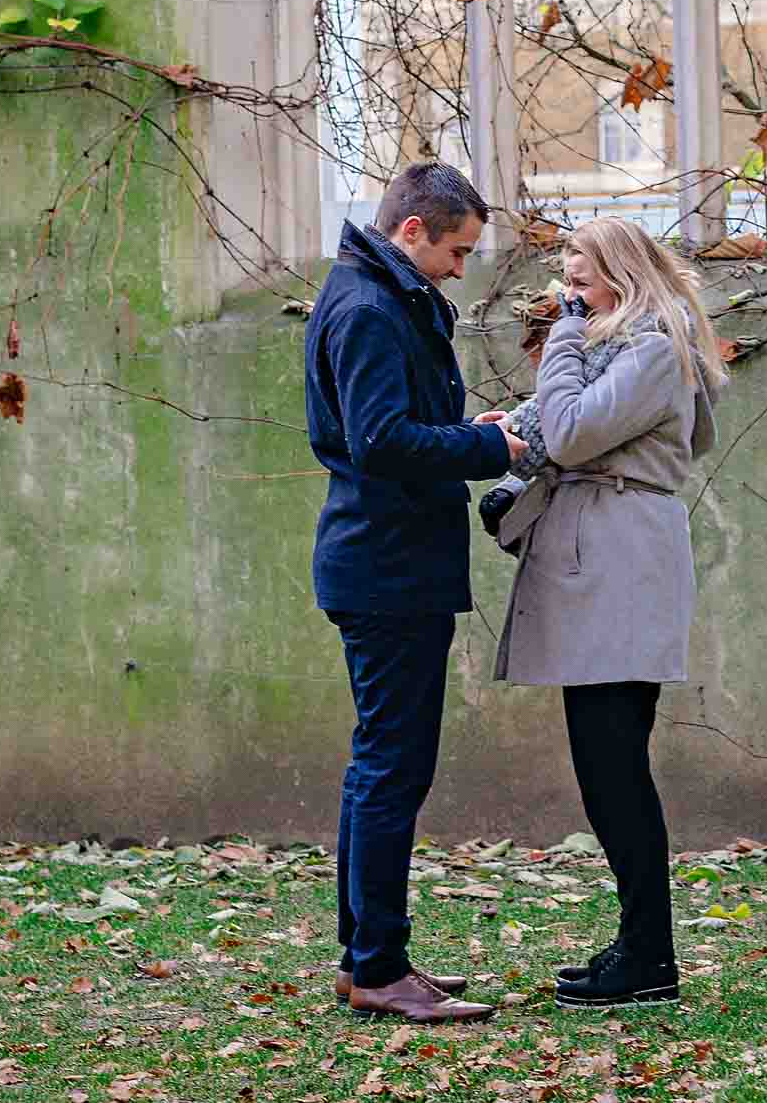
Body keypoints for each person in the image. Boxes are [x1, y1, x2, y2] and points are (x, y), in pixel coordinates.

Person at [478, 216, 725, 1010]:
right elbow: (566, 419)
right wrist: (514, 428)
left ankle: (651, 956)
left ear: (622, 272)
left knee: (615, 769)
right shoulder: (631, 348)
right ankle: (640, 941)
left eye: (581, 280)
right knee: (605, 768)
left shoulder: (656, 346)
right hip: (603, 554)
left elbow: (579, 430)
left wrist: (561, 345)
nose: (568, 295)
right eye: (567, 281)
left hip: (619, 560)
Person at [304, 162, 528, 1023]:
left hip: (388, 564)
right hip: (387, 570)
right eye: (458, 250)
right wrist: (489, 450)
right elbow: (384, 443)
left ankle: (370, 959)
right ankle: (377, 968)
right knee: (392, 771)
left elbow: (394, 431)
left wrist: (465, 433)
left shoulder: (378, 295)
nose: (462, 268)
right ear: (412, 232)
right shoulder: (367, 307)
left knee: (381, 768)